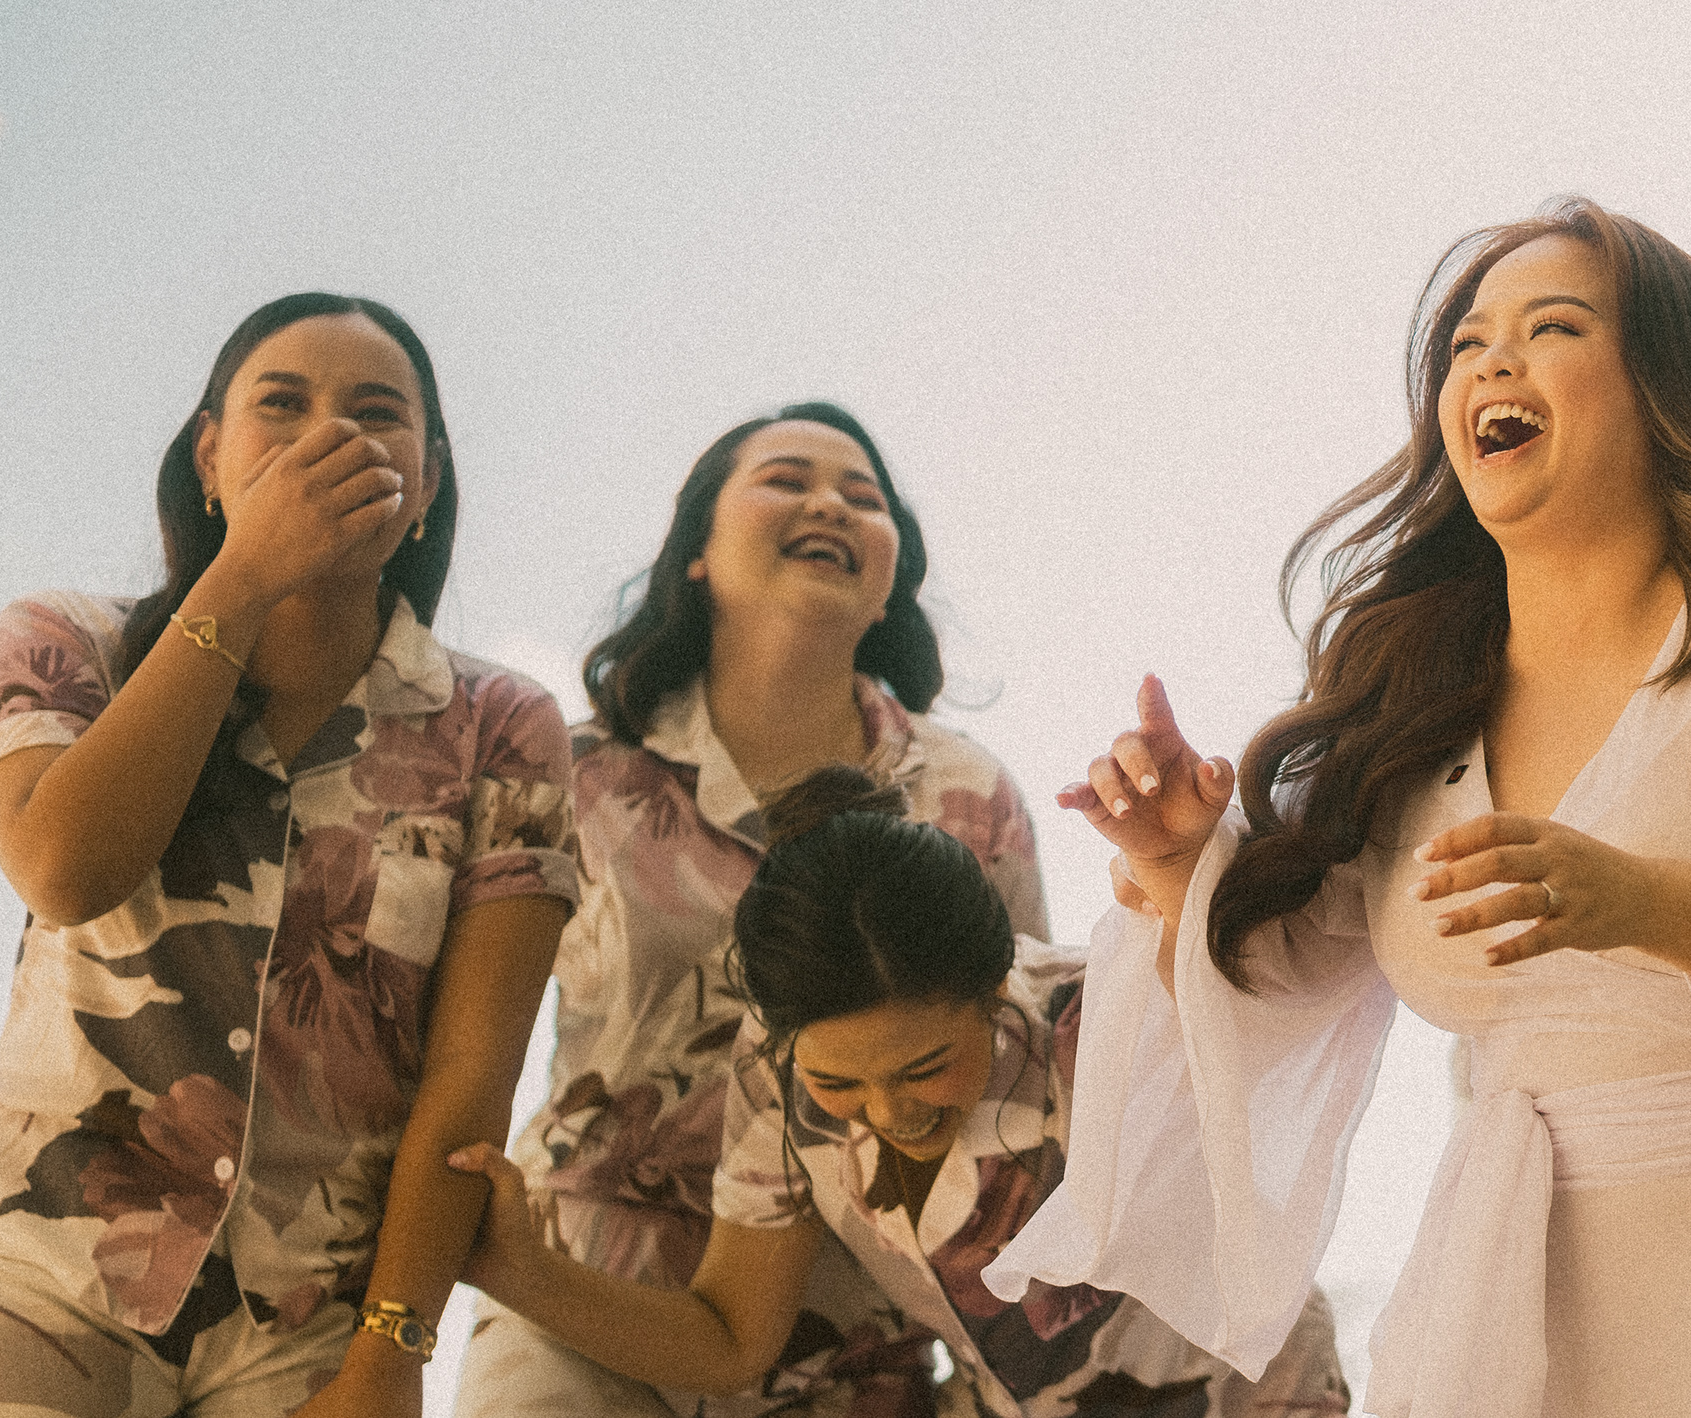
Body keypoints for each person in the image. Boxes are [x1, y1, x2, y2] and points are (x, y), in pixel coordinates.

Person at [991, 197, 1691, 1418]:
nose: (1492, 363)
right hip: (1509, 1325)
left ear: (1665, 388)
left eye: (1554, 327)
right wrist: (1179, 863)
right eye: (1468, 343)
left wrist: (1649, 899)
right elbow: (1280, 983)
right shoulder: (1415, 699)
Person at [450, 402, 1336, 1415]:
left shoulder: (971, 794)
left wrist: (1174, 869)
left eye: (862, 495)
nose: (829, 503)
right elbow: (469, 1031)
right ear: (695, 547)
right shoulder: (577, 775)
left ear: (890, 581)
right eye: (786, 479)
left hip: (874, 1326)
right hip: (604, 1266)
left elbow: (1107, 1026)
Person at [0, 292, 579, 1418]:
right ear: (209, 458)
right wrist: (246, 573)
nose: (332, 433)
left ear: (427, 482)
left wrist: (392, 1352)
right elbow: (64, 869)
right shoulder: (71, 641)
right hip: (43, 1272)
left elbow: (469, 1079)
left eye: (378, 412)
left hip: (313, 1325)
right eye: (283, 403)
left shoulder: (503, 727)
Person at [446, 768, 1350, 1416]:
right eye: (840, 1081)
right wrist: (516, 1268)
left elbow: (1261, 1003)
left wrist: (1186, 864)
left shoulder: (1092, 1017)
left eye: (925, 1068)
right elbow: (731, 1339)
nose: (891, 1111)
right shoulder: (775, 1072)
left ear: (995, 984)